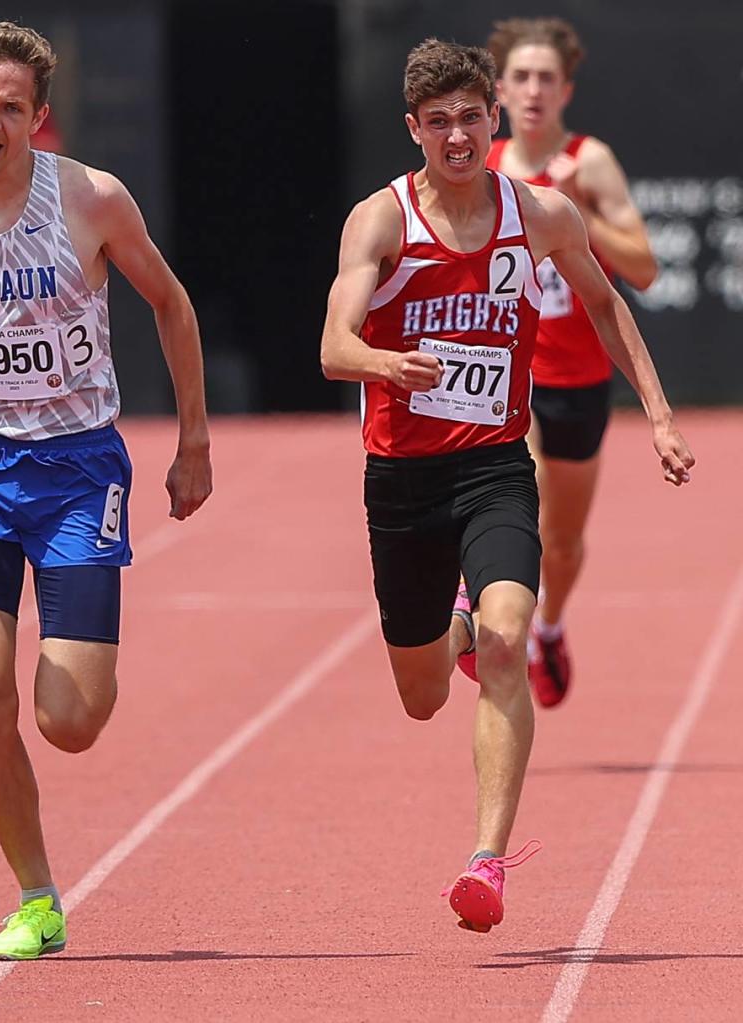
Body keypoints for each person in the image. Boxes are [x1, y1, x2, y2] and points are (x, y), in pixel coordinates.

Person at [320, 38, 692, 933]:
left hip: (494, 465)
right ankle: (447, 620)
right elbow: (333, 349)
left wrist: (661, 413)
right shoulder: (380, 221)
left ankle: (486, 861)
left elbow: (607, 302)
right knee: (421, 695)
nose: (456, 135)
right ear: (414, 130)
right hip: (403, 478)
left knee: (505, 641)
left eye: (469, 117)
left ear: (494, 119)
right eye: (437, 121)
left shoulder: (542, 214)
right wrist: (383, 360)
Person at [0, 21, 212, 960]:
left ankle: (83, 654)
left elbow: (170, 303)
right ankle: (37, 897)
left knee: (69, 721)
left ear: (40, 118)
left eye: (11, 109)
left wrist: (193, 440)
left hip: (76, 468)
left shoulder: (92, 200)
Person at [485, 18, 657, 708]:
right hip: (507, 374)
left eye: (545, 79)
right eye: (520, 78)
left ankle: (549, 625)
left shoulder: (590, 161)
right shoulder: (483, 163)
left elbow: (643, 267)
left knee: (563, 541)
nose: (532, 90)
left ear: (565, 91)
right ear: (499, 89)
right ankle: (499, 626)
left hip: (579, 377)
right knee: (520, 507)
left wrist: (581, 216)